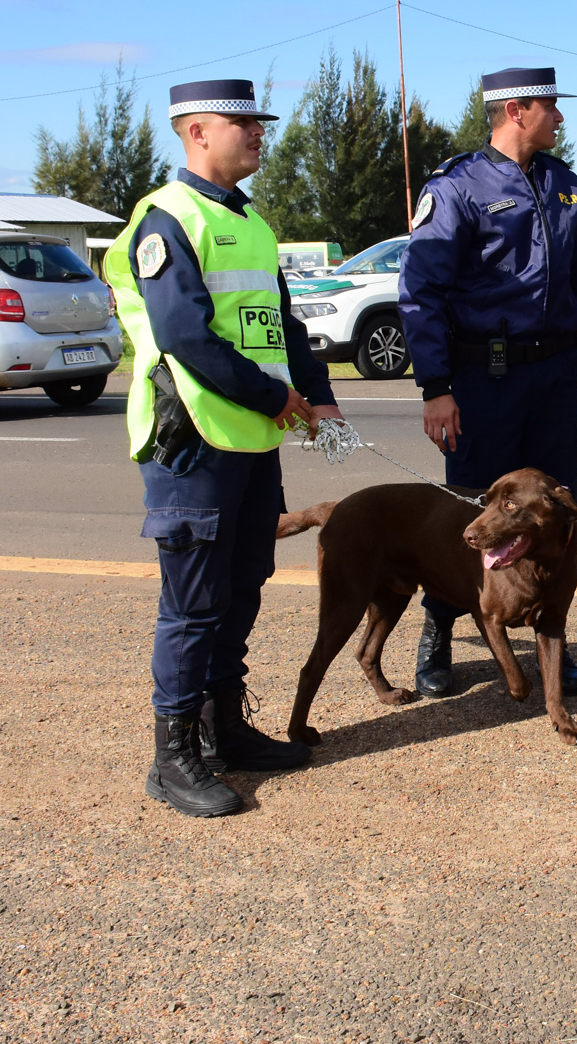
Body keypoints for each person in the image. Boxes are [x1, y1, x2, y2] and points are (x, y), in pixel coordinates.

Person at [107, 79, 342, 819]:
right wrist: (278, 397)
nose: (259, 134)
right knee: (193, 605)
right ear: (197, 132)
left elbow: (280, 325)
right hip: (191, 442)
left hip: (249, 440)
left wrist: (318, 392)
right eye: (245, 124)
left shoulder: (250, 222)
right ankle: (172, 758)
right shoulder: (166, 219)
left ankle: (224, 731)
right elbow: (184, 337)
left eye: (259, 124)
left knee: (242, 587)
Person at [399, 66, 577, 700]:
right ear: (517, 111)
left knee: (553, 509)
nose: (560, 118)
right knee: (472, 513)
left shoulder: (565, 184)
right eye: (552, 107)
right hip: (483, 377)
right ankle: (440, 632)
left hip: (554, 375)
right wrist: (435, 386)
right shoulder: (457, 188)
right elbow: (421, 292)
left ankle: (553, 636)